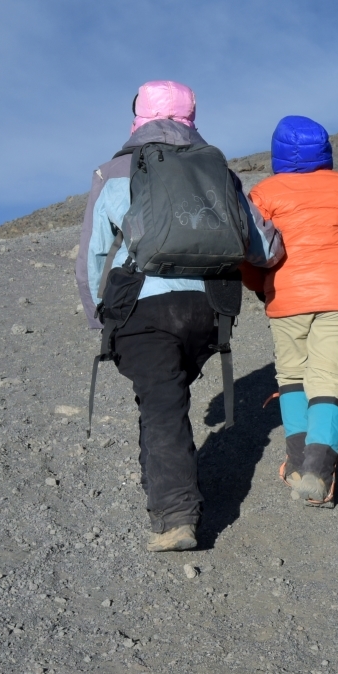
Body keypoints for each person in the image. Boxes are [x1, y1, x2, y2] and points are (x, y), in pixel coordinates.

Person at [78, 80, 276, 551]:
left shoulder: (114, 172)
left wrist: (97, 316)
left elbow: (93, 254)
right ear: (191, 115)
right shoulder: (216, 170)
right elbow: (262, 247)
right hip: (209, 309)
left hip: (141, 308)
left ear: (137, 115)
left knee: (162, 404)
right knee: (166, 397)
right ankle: (171, 494)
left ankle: (176, 517)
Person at [243, 115, 338, 504]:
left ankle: (298, 464)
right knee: (329, 379)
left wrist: (260, 287)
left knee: (292, 376)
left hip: (286, 299)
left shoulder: (264, 193)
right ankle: (319, 469)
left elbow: (248, 251)